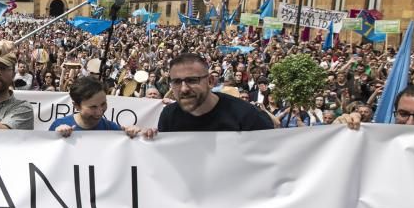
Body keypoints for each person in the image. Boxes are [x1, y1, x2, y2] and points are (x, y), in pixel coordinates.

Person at [145, 53, 273, 137]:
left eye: (192, 80)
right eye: (177, 82)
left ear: (211, 81)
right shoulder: (169, 115)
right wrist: (145, 140)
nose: (184, 89)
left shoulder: (245, 115)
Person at [51, 76, 142, 138]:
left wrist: (140, 135)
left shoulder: (111, 128)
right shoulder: (58, 126)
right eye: (93, 107)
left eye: (103, 104)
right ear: (76, 106)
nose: (99, 112)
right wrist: (56, 137)